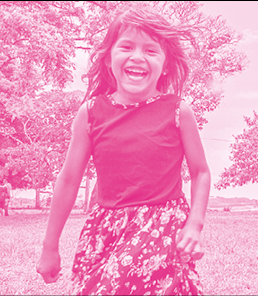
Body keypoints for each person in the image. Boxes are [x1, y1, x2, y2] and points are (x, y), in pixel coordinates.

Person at [37, 8, 210, 295]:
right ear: (108, 59)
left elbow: (201, 172)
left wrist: (194, 224)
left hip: (162, 228)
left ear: (165, 65)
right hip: (104, 230)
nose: (138, 57)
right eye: (127, 46)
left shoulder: (178, 111)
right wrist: (49, 246)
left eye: (151, 50)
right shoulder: (91, 113)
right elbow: (68, 180)